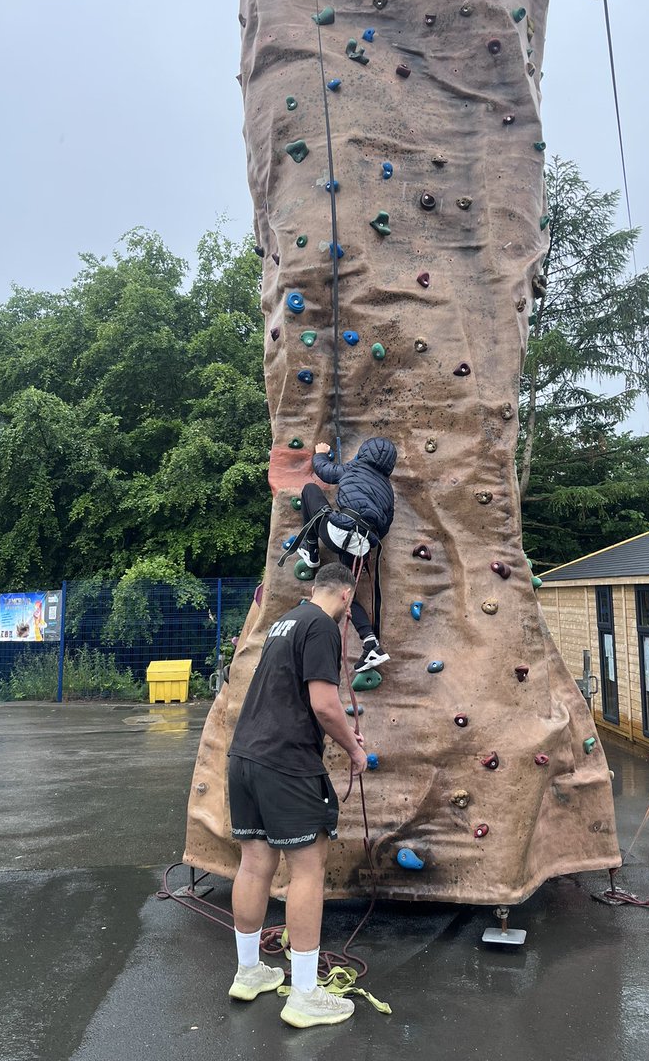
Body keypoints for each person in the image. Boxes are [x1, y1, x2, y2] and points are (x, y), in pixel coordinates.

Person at [226, 563, 368, 1029]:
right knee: (307, 869)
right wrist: (354, 749)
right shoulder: (323, 627)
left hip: (245, 756)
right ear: (346, 596)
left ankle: (249, 972)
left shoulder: (286, 620)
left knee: (254, 862)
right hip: (286, 763)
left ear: (314, 588)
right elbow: (324, 704)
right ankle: (305, 994)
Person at [296, 436, 397, 672]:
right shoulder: (388, 491)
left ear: (364, 452)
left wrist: (320, 453)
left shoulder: (356, 466)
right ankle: (371, 643)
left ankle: (311, 551)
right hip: (362, 546)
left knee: (310, 491)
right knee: (347, 596)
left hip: (338, 532)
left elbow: (326, 472)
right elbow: (386, 526)